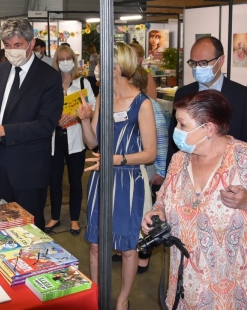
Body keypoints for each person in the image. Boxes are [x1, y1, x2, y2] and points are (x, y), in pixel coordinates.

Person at [142, 90, 247, 309]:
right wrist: (158, 214)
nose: (176, 131)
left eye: (182, 125)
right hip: (189, 286)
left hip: (239, 290)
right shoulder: (178, 161)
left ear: (209, 128)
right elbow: (164, 202)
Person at [0, 18, 63, 230]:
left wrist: (4, 130)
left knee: (30, 228)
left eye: (18, 45)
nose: (12, 50)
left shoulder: (48, 77)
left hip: (29, 166)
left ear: (31, 44)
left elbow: (46, 124)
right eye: (7, 46)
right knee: (2, 224)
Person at [77, 42, 156, 310]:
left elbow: (150, 154)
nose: (97, 68)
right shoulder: (102, 98)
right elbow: (93, 144)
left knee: (127, 247)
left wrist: (116, 160)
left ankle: (122, 300)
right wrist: (85, 121)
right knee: (96, 245)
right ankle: (97, 296)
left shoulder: (142, 104)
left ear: (118, 67)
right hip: (101, 179)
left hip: (129, 182)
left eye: (103, 63)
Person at [166, 36, 247, 167]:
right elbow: (174, 139)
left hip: (230, 171)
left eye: (203, 63)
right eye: (193, 63)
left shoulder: (243, 97)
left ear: (220, 60)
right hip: (189, 169)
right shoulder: (183, 93)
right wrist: (170, 171)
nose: (198, 68)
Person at [45, 45, 96, 236]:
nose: (65, 62)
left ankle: (75, 218)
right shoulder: (50, 83)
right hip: (54, 137)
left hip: (76, 137)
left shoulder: (83, 83)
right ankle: (55, 216)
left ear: (73, 61)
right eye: (61, 59)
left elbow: (93, 106)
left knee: (75, 180)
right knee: (55, 180)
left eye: (68, 58)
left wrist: (75, 116)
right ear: (56, 62)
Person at [127, 66, 168, 273]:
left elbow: (161, 139)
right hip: (130, 168)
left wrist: (161, 170)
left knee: (146, 212)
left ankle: (144, 254)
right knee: (132, 211)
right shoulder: (127, 104)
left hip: (148, 168)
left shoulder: (149, 105)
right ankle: (130, 249)